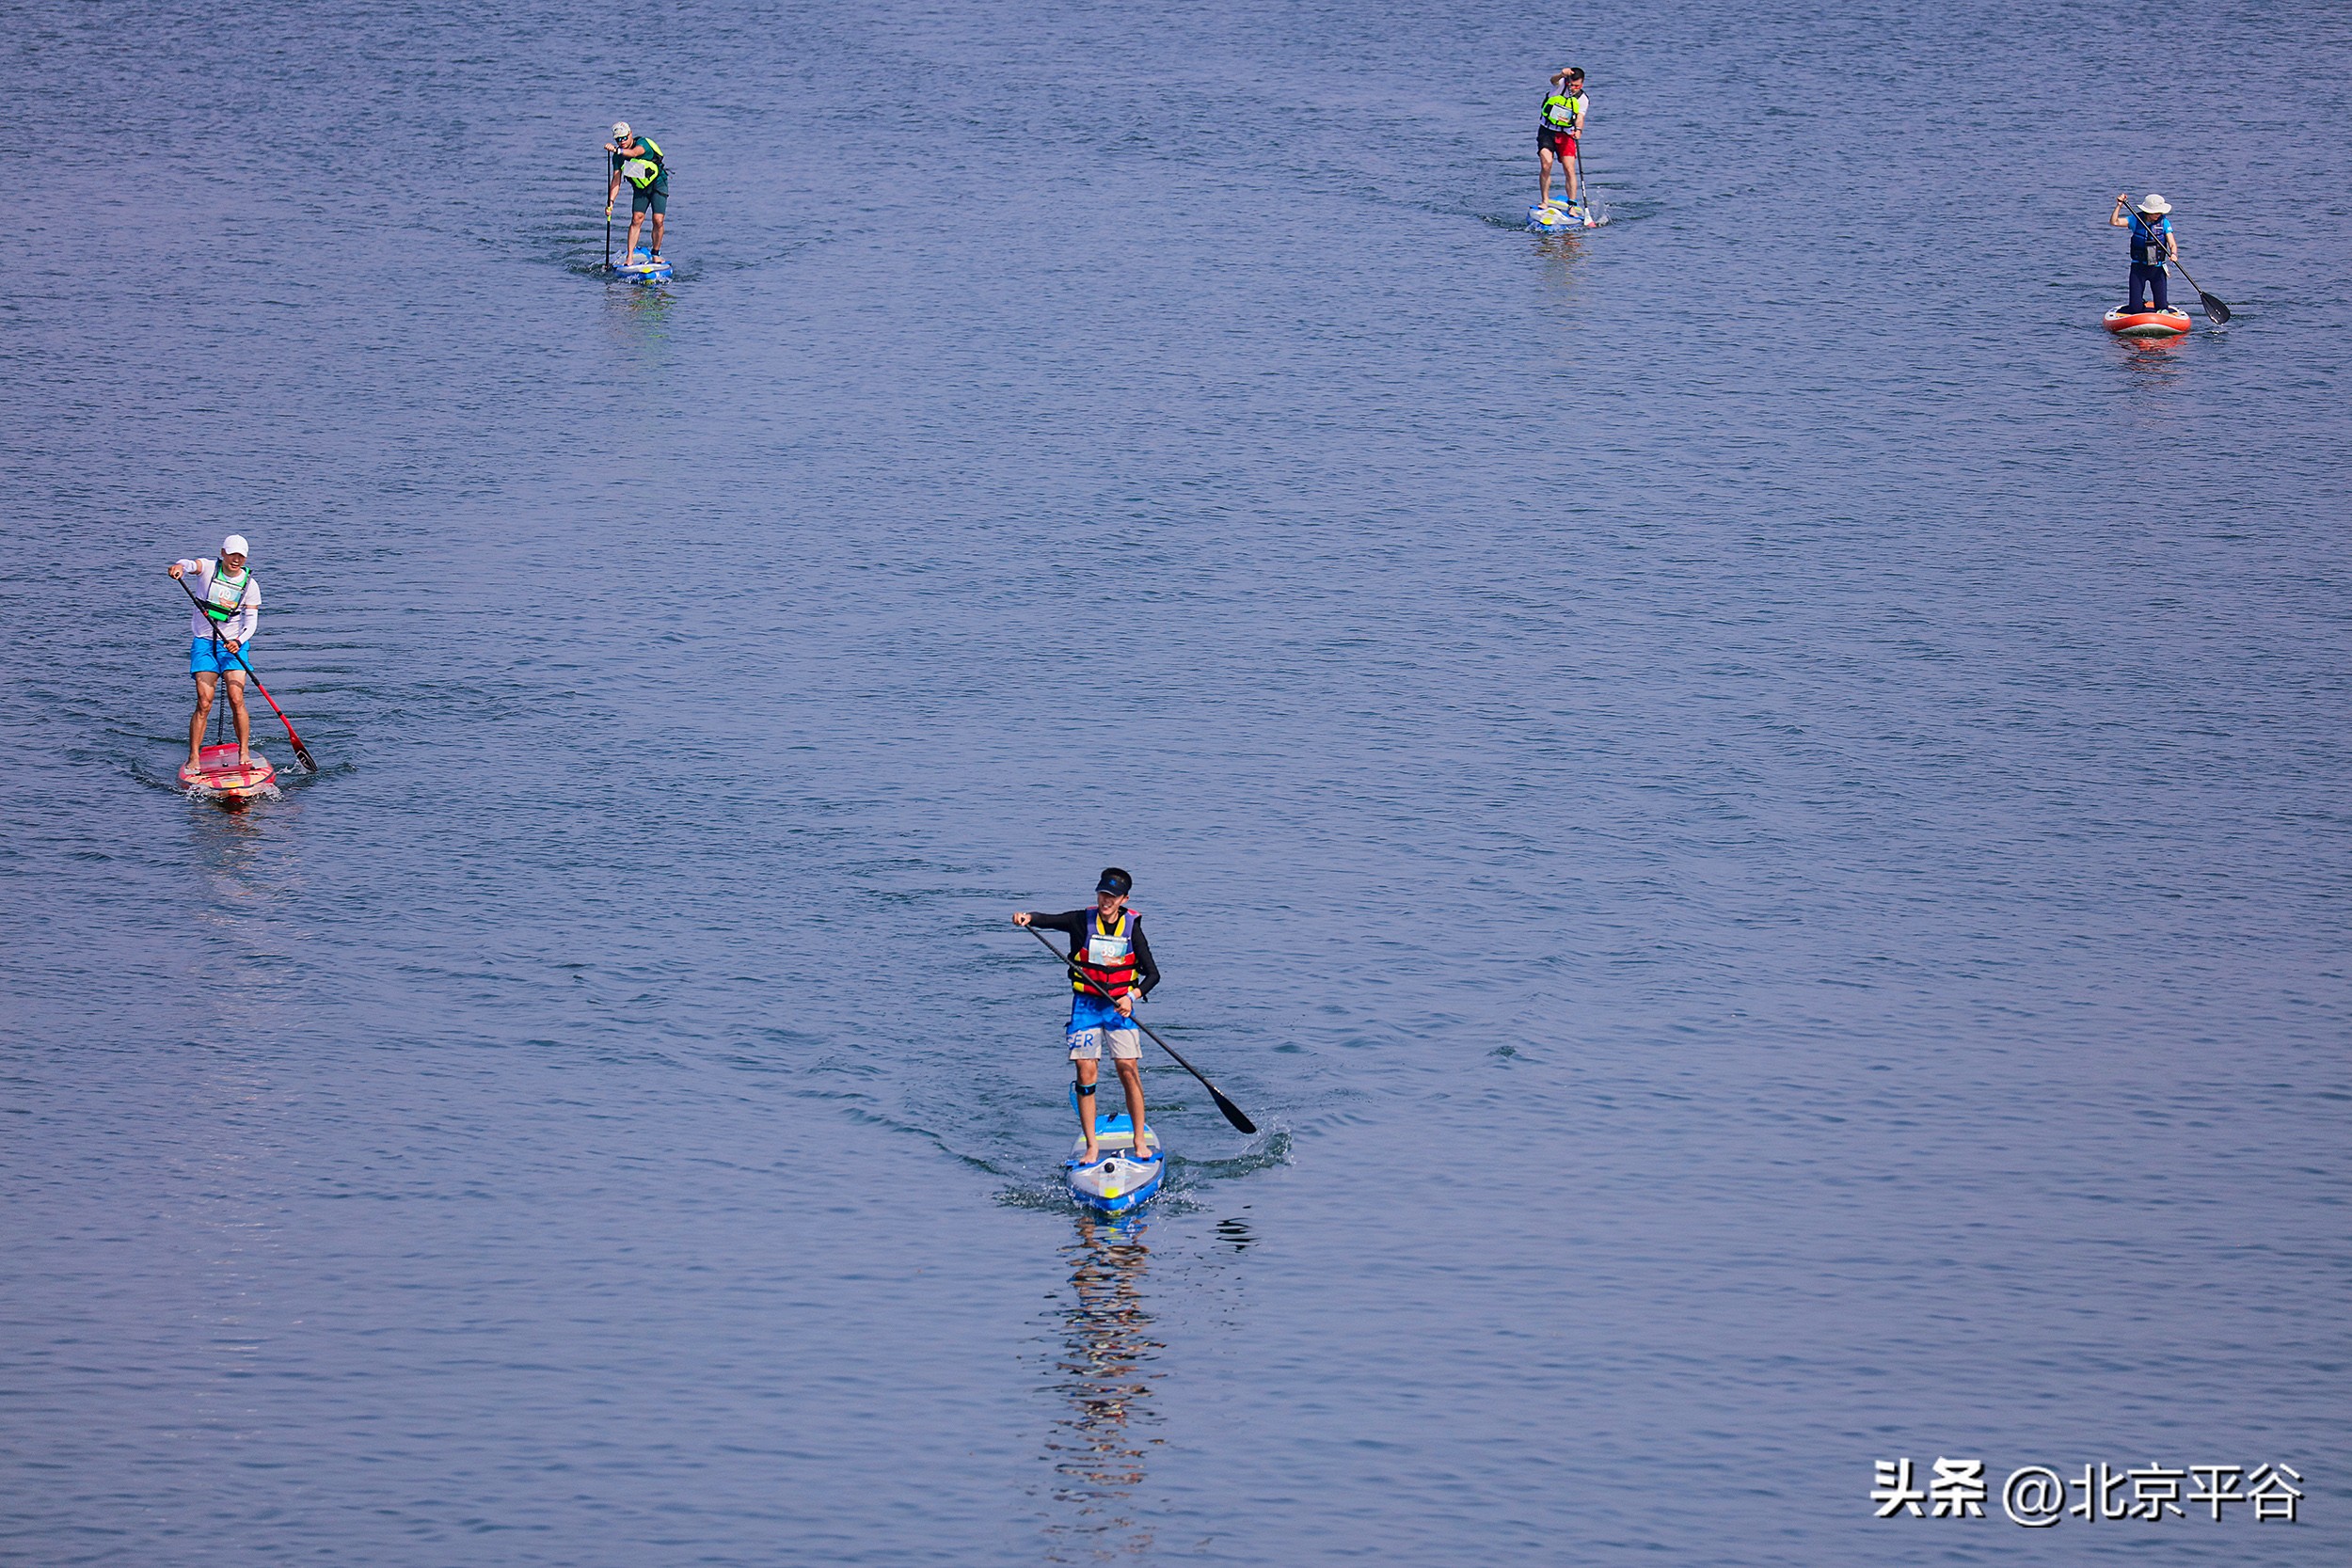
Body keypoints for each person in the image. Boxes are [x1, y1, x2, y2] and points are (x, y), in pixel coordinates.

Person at [1014, 868, 1162, 1166]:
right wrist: (1026, 916)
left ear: (1124, 899)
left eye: (1112, 896)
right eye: (1102, 894)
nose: (1106, 900)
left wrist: (1130, 997)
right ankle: (1092, 1146)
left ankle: (1138, 1140)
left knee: (1127, 1069)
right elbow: (1048, 920)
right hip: (1085, 1006)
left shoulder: (1132, 928)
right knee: (1085, 1071)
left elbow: (1153, 975)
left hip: (1118, 1008)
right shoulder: (1081, 920)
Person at [167, 535, 261, 770]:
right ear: (223, 553)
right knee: (204, 702)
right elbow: (189, 564)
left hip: (233, 645)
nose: (236, 560)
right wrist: (179, 566)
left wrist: (239, 640)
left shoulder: (251, 585)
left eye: (241, 556)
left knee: (236, 698)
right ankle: (194, 756)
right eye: (232, 554)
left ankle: (244, 751)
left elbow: (252, 621)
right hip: (205, 643)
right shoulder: (209, 568)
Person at [605, 121, 670, 264]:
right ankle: (629, 258)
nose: (621, 142)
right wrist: (611, 202)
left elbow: (634, 153)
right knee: (636, 219)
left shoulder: (642, 143)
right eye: (618, 140)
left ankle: (656, 253)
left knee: (658, 220)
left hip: (659, 183)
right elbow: (616, 180)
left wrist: (616, 150)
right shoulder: (617, 157)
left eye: (624, 138)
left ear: (630, 134)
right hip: (640, 187)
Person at [2110, 193, 2178, 312]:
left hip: (2157, 269)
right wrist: (2119, 206)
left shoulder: (2164, 223)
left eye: (2160, 212)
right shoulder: (2135, 220)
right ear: (2148, 211)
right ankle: (2139, 303)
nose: (2159, 214)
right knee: (2135, 308)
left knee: (2162, 307)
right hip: (2138, 268)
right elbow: (2114, 222)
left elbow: (2172, 243)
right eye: (2156, 212)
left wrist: (2173, 254)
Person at [1537, 67, 1588, 211]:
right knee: (1546, 164)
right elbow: (1552, 80)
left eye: (1576, 86)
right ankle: (1545, 201)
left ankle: (1571, 206)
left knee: (1569, 169)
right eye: (1571, 84)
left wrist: (1578, 130)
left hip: (1566, 135)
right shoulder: (1560, 85)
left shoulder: (1583, 99)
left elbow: (1580, 117)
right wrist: (1561, 74)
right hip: (1547, 131)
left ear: (1582, 84)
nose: (1572, 88)